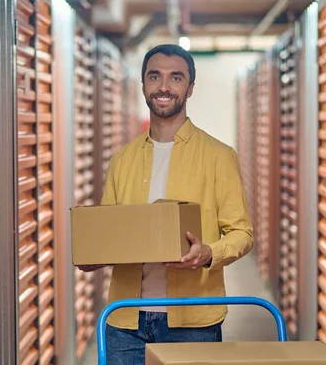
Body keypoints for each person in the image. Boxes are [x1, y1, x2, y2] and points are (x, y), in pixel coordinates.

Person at [78, 44, 254, 364]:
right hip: (124, 320)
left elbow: (242, 233)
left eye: (176, 78)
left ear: (190, 89)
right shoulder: (122, 161)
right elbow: (108, 233)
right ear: (143, 85)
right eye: (154, 76)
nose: (164, 86)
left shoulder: (218, 156)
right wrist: (92, 254)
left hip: (193, 320)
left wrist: (209, 253)